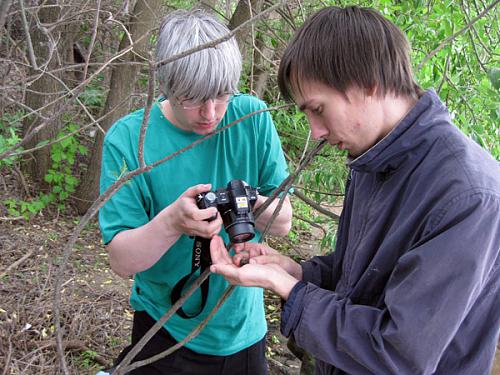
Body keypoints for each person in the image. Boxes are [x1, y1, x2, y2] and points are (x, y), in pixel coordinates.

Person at [210, 5, 500, 375]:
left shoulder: (468, 196)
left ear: (368, 84)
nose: (315, 131)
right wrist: (296, 272)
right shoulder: (375, 158)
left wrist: (289, 289)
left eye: (318, 108)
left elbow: (398, 355)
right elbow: (362, 279)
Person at [98, 9, 292, 375]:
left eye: (221, 95)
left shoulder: (251, 117)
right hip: (163, 324)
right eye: (192, 97)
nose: (210, 112)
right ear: (167, 85)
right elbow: (122, 262)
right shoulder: (128, 140)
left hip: (243, 331)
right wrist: (173, 222)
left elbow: (283, 222)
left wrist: (246, 200)